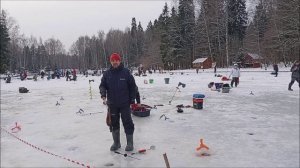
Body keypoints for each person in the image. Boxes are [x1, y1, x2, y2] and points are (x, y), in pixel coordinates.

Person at [99, 53, 136, 151]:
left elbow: (133, 86)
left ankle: (130, 143)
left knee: (127, 123)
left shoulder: (126, 72)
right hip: (112, 104)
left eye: (116, 60)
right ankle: (116, 143)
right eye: (113, 60)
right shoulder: (107, 74)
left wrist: (132, 99)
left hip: (125, 103)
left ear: (119, 61)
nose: (115, 62)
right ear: (110, 62)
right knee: (114, 123)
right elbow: (102, 85)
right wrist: (103, 94)